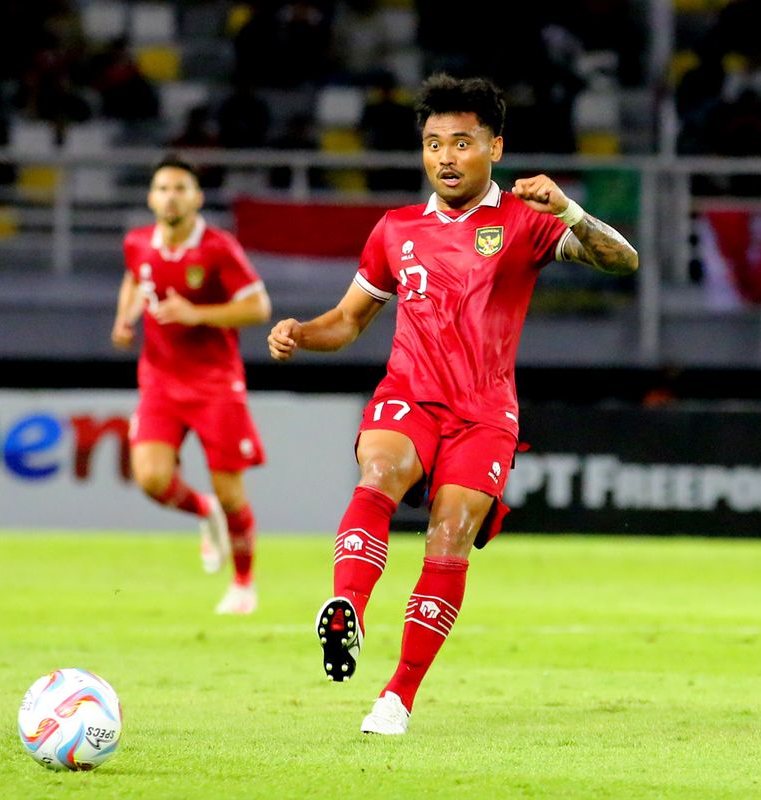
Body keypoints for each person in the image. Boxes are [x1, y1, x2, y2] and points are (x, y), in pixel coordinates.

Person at [267, 74, 638, 734]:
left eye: (461, 143)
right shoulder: (396, 229)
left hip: (485, 412)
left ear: (495, 147)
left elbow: (623, 260)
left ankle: (397, 696)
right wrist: (301, 331)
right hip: (409, 392)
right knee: (378, 470)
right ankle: (346, 608)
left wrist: (570, 213)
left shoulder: (526, 223)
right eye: (433, 143)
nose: (444, 156)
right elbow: (349, 322)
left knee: (449, 535)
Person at [112, 158, 272, 614]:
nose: (171, 196)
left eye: (181, 188)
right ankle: (205, 512)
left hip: (215, 382)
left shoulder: (219, 248)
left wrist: (197, 314)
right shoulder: (137, 242)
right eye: (162, 188)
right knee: (151, 477)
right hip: (160, 379)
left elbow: (259, 306)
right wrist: (124, 319)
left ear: (197, 197)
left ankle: (243, 584)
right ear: (151, 197)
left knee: (232, 492)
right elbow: (133, 278)